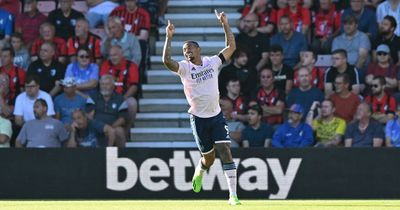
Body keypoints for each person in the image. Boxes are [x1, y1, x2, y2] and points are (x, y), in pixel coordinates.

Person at [162, 10, 240, 205]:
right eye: (184, 51)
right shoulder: (184, 68)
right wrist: (168, 38)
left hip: (216, 116)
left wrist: (225, 23)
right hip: (198, 118)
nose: (186, 52)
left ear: (198, 50)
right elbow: (166, 61)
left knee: (225, 151)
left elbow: (231, 46)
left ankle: (233, 196)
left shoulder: (211, 62)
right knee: (209, 159)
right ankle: (201, 170)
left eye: (189, 49)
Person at [99, 45, 139, 131]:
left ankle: (127, 131)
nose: (113, 58)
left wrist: (123, 99)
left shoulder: (131, 66)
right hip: (108, 97)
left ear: (122, 55)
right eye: (111, 55)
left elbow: (134, 86)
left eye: (115, 55)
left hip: (124, 97)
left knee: (132, 103)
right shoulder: (106, 65)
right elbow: (103, 84)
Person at [86, 75, 128, 147]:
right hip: (97, 127)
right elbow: (90, 117)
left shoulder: (120, 99)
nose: (104, 86)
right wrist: (102, 128)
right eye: (102, 84)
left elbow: (122, 119)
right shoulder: (93, 97)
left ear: (113, 85)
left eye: (107, 84)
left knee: (119, 131)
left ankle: (122, 154)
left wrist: (109, 128)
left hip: (113, 127)